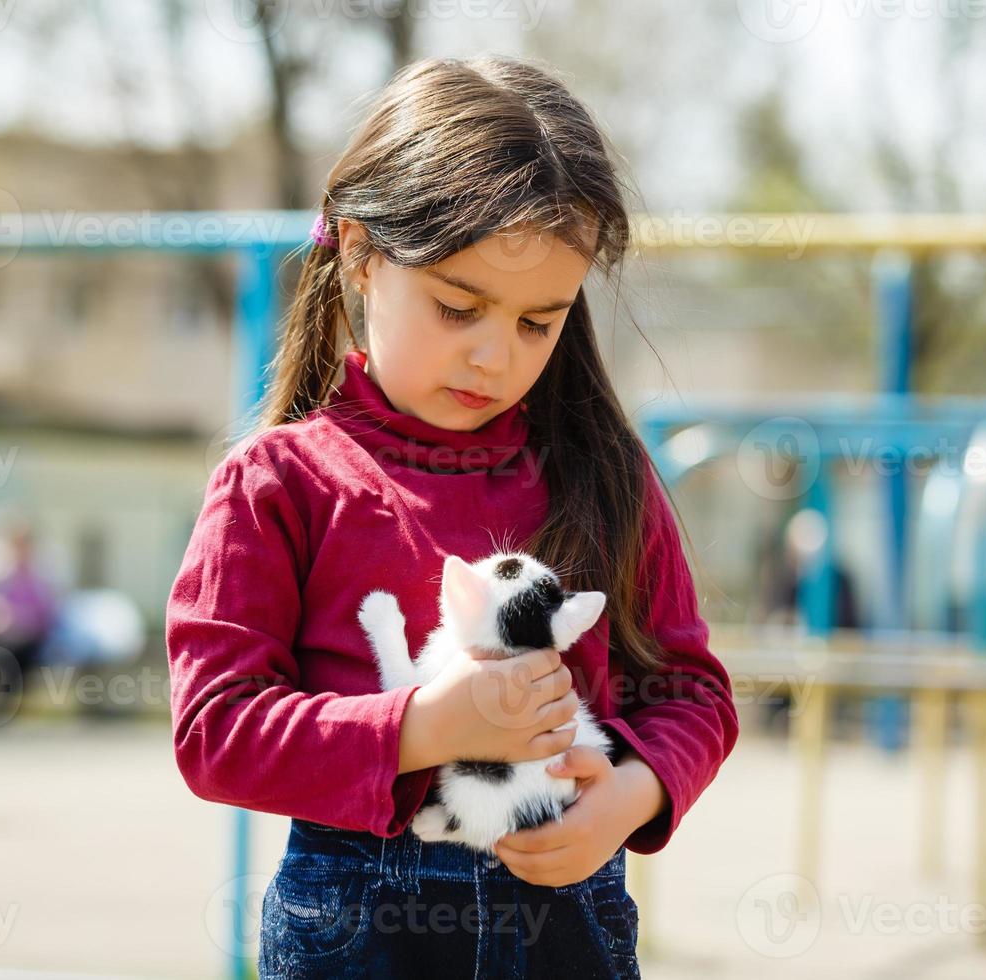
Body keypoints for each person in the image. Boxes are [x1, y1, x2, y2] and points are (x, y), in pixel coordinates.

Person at [165, 56, 739, 979]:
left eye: (537, 322)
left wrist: (628, 795)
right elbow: (214, 731)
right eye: (457, 306)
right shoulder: (276, 484)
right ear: (357, 252)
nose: (493, 356)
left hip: (569, 922)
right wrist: (428, 726)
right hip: (356, 931)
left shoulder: (605, 474)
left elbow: (692, 692)